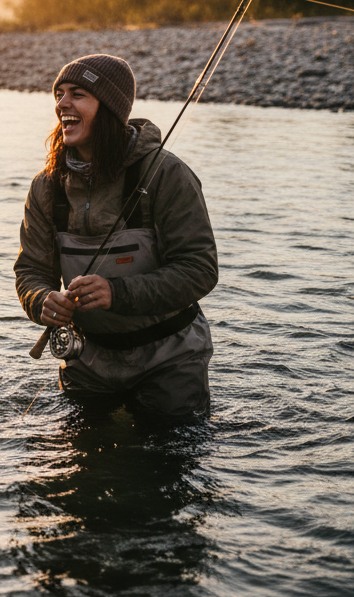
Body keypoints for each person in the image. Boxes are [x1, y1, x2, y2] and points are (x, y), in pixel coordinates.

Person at [14, 54, 218, 418]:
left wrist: (117, 293)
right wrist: (41, 300)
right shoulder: (46, 186)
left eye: (77, 94)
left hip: (170, 356)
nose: (62, 103)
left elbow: (199, 269)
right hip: (87, 359)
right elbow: (30, 270)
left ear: (108, 108)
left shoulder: (167, 174)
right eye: (59, 94)